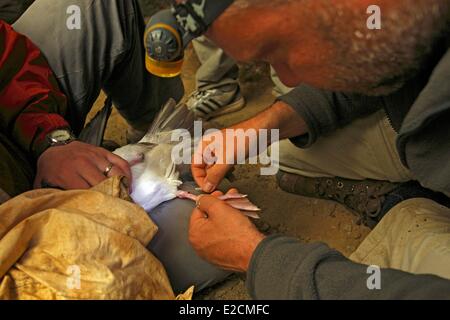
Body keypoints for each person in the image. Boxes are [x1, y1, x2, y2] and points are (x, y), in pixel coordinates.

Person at [188, 0, 450, 299]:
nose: (288, 79)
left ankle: (411, 216)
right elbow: (375, 62)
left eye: (280, 48)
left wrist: (257, 259)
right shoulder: (394, 22)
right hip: (428, 136)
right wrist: (267, 125)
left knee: (407, 245)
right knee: (285, 155)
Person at [0, 0, 229, 293]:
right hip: (18, 239)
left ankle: (158, 133)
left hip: (16, 140)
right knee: (210, 244)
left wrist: (50, 139)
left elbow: (6, 62)